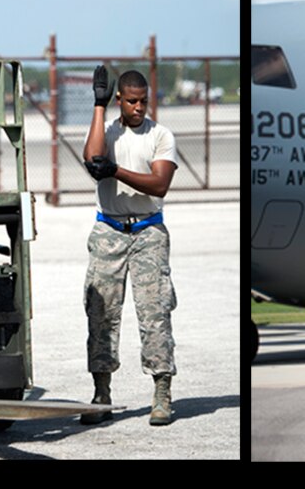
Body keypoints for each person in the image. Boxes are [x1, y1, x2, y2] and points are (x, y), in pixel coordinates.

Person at [81, 64, 178, 427]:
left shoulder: (161, 135)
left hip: (148, 232)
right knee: (101, 313)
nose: (139, 108)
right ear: (120, 99)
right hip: (109, 230)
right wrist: (98, 105)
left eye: (144, 102)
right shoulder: (108, 132)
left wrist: (116, 171)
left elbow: (159, 184)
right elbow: (93, 159)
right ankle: (101, 392)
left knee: (155, 314)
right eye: (132, 101)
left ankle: (162, 392)